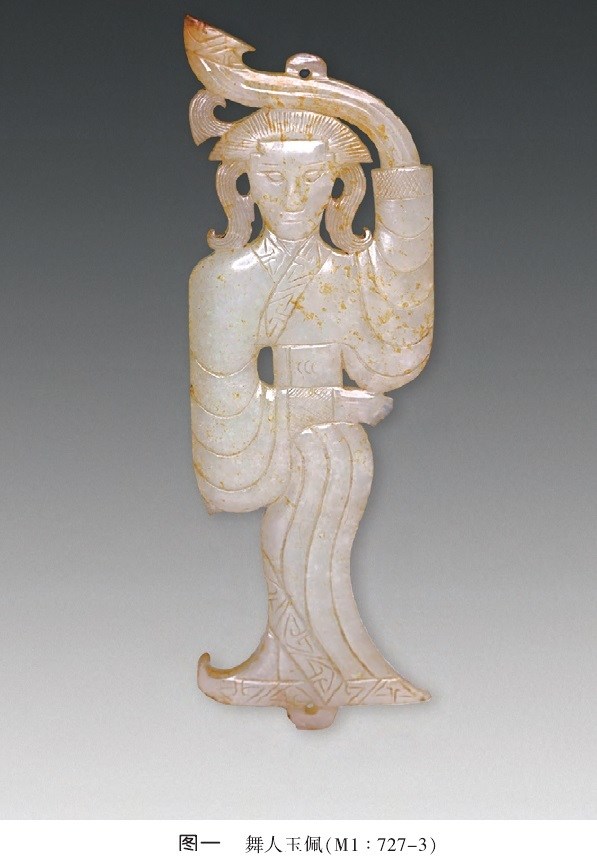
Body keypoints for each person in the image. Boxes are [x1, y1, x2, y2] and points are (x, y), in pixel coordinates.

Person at [189, 102, 433, 728]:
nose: (293, 196)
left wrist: (400, 169)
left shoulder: (347, 274)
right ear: (242, 183)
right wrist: (330, 404)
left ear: (339, 188)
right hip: (294, 453)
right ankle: (297, 668)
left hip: (342, 459)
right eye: (273, 176)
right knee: (289, 542)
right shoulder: (221, 280)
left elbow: (395, 348)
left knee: (327, 556)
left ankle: (321, 672)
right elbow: (224, 403)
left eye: (311, 178)